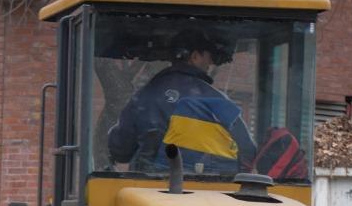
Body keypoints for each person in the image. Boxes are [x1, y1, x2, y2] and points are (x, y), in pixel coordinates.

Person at [107, 30, 257, 174]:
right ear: (195, 56)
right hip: (211, 193)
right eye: (208, 56)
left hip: (150, 189)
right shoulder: (217, 101)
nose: (210, 62)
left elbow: (120, 149)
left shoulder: (145, 96)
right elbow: (247, 150)